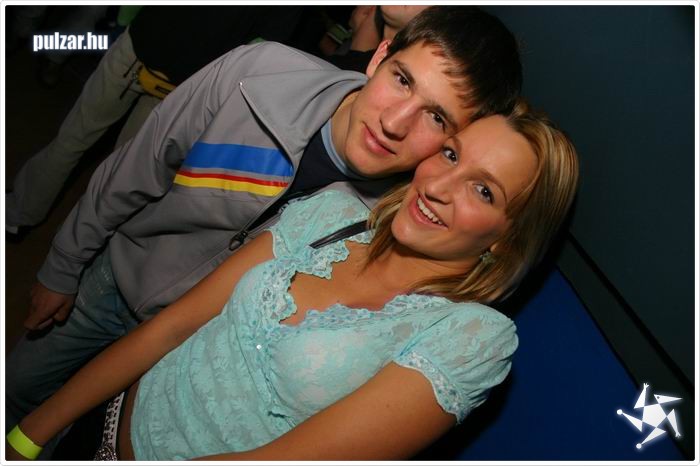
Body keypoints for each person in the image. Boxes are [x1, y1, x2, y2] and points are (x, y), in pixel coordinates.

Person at [5, 6, 524, 454]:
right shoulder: (260, 76)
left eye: (437, 118)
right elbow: (136, 168)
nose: (395, 121)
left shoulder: (396, 218)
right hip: (112, 283)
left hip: (190, 353)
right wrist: (63, 266)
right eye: (402, 80)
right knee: (17, 391)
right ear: (379, 56)